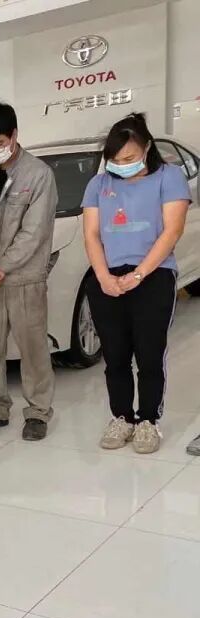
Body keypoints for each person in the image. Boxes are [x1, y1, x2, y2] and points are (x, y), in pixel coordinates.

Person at [82, 113, 190, 454]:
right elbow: (92, 234)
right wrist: (103, 277)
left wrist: (139, 274)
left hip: (153, 275)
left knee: (149, 353)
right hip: (109, 278)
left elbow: (172, 231)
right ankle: (122, 417)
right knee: (115, 355)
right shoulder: (98, 185)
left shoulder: (169, 177)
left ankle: (148, 421)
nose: (122, 166)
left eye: (129, 158)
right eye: (115, 160)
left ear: (147, 147)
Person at [0, 102, 58, 441]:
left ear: (15, 135)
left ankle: (38, 412)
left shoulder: (39, 175)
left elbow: (34, 232)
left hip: (24, 279)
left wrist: (1, 267)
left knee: (32, 349)